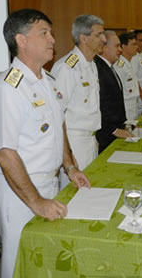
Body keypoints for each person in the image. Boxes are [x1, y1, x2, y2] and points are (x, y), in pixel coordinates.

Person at [0, 9, 90, 277]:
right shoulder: (7, 90)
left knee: (46, 257)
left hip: (49, 182)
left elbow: (58, 126)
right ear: (21, 40)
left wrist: (70, 167)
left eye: (51, 33)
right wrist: (37, 202)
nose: (52, 39)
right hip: (18, 190)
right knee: (20, 262)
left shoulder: (47, 80)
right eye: (44, 33)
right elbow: (5, 153)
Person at [51, 14, 106, 174]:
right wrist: (67, 155)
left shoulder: (91, 64)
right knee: (74, 196)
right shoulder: (67, 68)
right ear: (83, 38)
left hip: (89, 140)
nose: (103, 39)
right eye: (98, 35)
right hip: (73, 143)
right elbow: (56, 114)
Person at [94, 31, 133, 153]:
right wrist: (114, 130)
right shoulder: (97, 68)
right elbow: (99, 104)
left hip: (116, 130)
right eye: (117, 46)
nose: (120, 50)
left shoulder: (109, 67)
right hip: (107, 134)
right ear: (104, 47)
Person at [115, 32, 141, 120]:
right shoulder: (119, 66)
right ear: (123, 46)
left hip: (134, 107)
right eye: (133, 44)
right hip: (126, 109)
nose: (137, 47)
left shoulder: (128, 64)